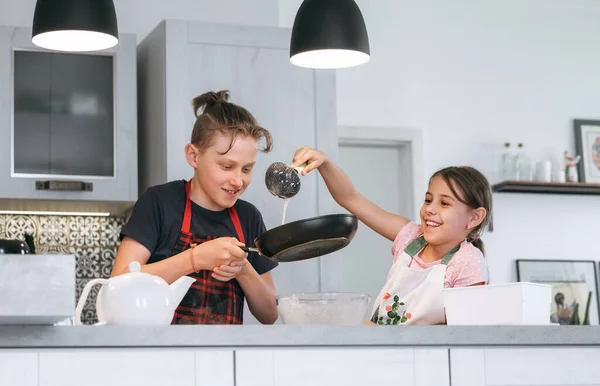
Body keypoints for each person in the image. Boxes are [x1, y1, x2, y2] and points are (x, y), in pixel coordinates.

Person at [111, 90, 279, 325]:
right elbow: (119, 283)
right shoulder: (160, 202)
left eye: (247, 169)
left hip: (224, 356)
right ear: (193, 156)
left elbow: (269, 314)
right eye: (227, 166)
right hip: (159, 354)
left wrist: (243, 270)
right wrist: (195, 259)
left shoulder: (248, 216)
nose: (238, 181)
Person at [290, 147, 492, 325]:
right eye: (428, 200)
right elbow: (350, 198)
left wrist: (380, 333)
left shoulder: (468, 260)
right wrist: (325, 163)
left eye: (444, 203)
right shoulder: (410, 237)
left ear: (475, 217)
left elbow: (465, 332)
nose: (429, 209)